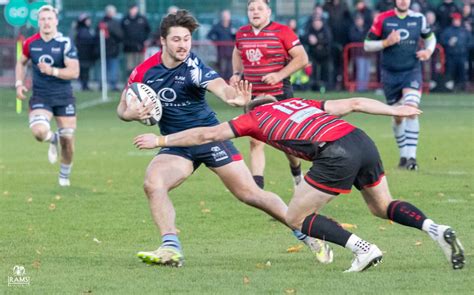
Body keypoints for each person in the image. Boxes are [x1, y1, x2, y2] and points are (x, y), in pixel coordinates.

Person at [134, 85, 465, 272]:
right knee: (383, 205)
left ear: (253, 107)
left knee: (295, 216)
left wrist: (162, 141)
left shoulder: (253, 118)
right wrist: (395, 110)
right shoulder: (301, 103)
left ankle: (363, 249)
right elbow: (354, 102)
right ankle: (435, 229)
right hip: (360, 140)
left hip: (335, 152)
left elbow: (207, 134)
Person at [117, 10, 331, 267]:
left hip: (210, 138)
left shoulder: (194, 68)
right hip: (178, 145)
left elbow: (221, 88)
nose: (183, 45)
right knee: (153, 184)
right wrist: (129, 113)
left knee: (251, 194)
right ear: (162, 41)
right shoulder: (144, 71)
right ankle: (170, 247)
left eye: (186, 39)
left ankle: (305, 232)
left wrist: (235, 98)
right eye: (176, 39)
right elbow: (122, 108)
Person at [231, 0, 309, 189]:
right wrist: (235, 74)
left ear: (268, 12)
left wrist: (279, 75)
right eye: (251, 9)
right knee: (255, 141)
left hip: (279, 93)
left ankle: (296, 171)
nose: (255, 12)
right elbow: (237, 52)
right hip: (253, 95)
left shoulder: (283, 31)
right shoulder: (242, 33)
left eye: (259, 8)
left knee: (286, 141)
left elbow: (302, 58)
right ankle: (258, 189)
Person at [364, 0, 437, 170]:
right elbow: (367, 45)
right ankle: (404, 155)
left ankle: (412, 158)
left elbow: (430, 38)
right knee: (398, 116)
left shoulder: (419, 18)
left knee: (411, 108)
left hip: (412, 71)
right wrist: (385, 43)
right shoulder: (382, 19)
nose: (403, 1)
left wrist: (428, 51)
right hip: (390, 74)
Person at [15, 5, 79, 187]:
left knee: (68, 142)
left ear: (56, 21)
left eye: (49, 18)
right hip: (41, 97)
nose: (46, 22)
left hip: (64, 97)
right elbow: (21, 63)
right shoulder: (31, 43)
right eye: (42, 19)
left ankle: (64, 177)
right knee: (38, 132)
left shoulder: (65, 43)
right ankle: (53, 138)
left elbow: (74, 72)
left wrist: (52, 70)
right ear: (38, 22)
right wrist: (19, 84)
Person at [440, 12, 472, 91]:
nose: (456, 21)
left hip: (463, 56)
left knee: (463, 74)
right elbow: (441, 40)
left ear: (460, 20)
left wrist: (464, 46)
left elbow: (471, 42)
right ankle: (449, 89)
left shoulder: (465, 31)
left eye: (457, 20)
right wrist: (448, 43)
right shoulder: (447, 31)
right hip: (451, 56)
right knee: (450, 73)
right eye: (455, 20)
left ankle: (463, 89)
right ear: (452, 20)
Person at [97, 5, 123, 91]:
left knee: (111, 67)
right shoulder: (103, 22)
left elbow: (119, 36)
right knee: (105, 67)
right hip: (105, 49)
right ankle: (103, 84)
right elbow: (98, 35)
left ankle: (111, 84)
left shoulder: (114, 23)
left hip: (112, 49)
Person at [121, 4, 151, 77]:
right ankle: (129, 81)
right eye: (131, 9)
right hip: (128, 48)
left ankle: (140, 80)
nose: (133, 11)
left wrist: (146, 40)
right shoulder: (125, 20)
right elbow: (121, 32)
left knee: (140, 65)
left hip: (140, 47)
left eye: (134, 9)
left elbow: (148, 30)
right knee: (129, 66)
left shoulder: (142, 19)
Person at [207, 9, 236, 80]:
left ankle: (229, 84)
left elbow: (236, 36)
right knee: (222, 68)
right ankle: (221, 84)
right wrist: (216, 42)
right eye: (224, 16)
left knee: (230, 68)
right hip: (221, 51)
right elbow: (209, 35)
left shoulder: (232, 25)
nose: (226, 17)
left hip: (231, 51)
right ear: (222, 16)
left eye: (227, 16)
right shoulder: (217, 26)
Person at [75, 13, 96, 91]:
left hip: (86, 54)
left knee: (85, 70)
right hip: (84, 54)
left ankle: (85, 84)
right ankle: (84, 85)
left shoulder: (86, 30)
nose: (89, 21)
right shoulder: (82, 31)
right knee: (84, 70)